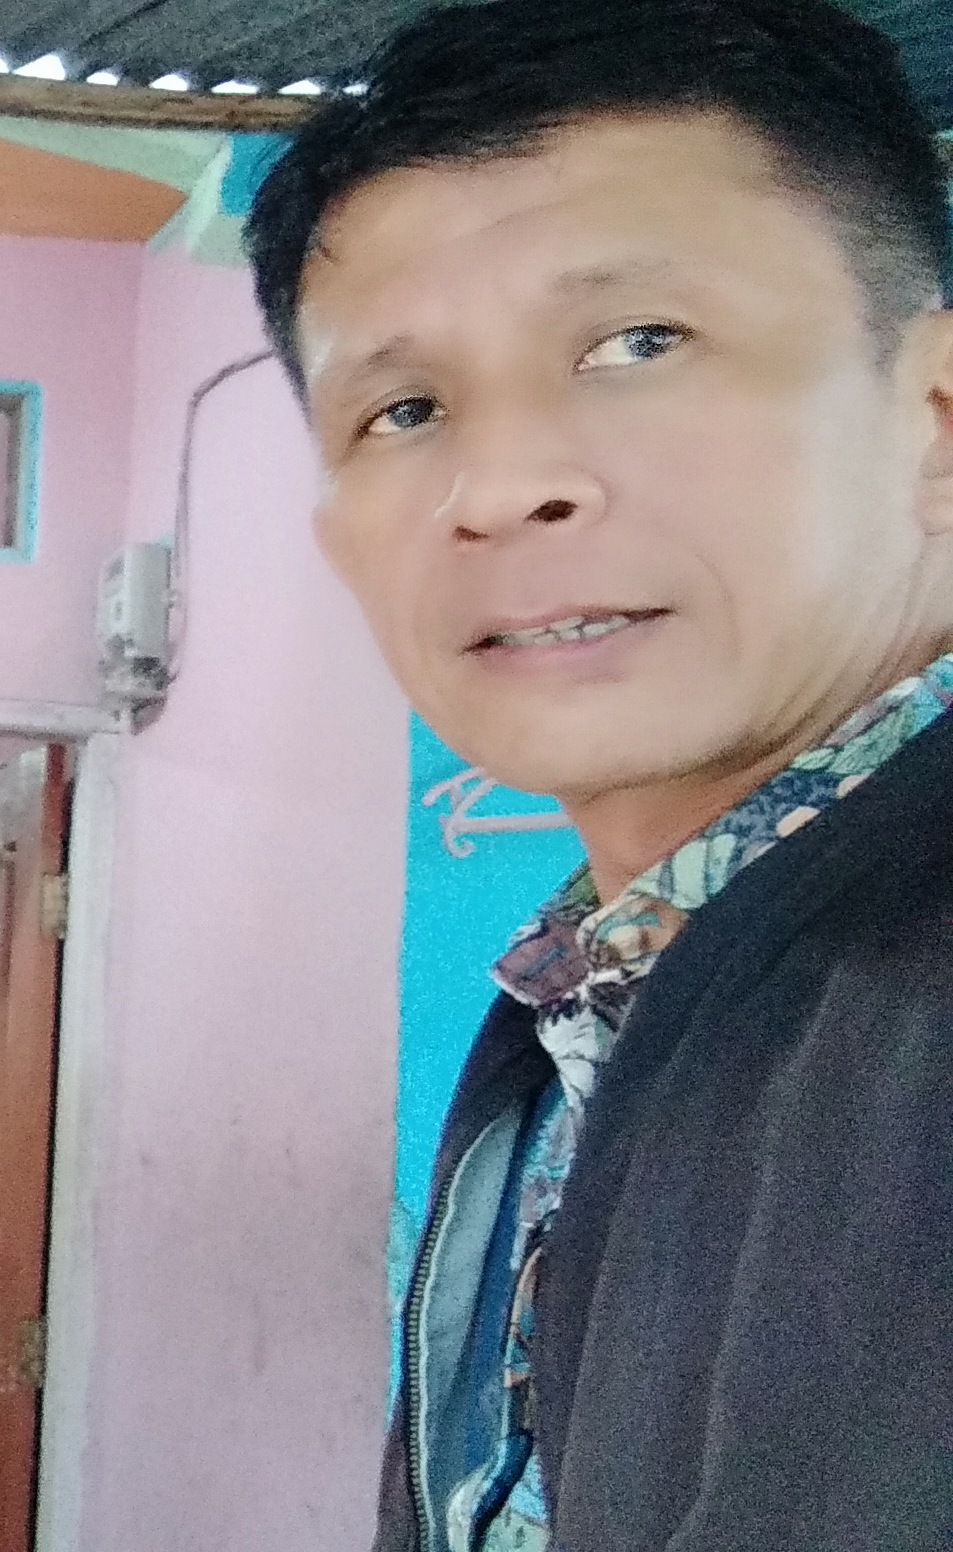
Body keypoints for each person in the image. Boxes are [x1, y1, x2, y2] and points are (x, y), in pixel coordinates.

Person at [243, 1, 953, 1546]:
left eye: (640, 342)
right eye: (405, 409)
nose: (503, 486)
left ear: (937, 417)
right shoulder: (584, 1000)